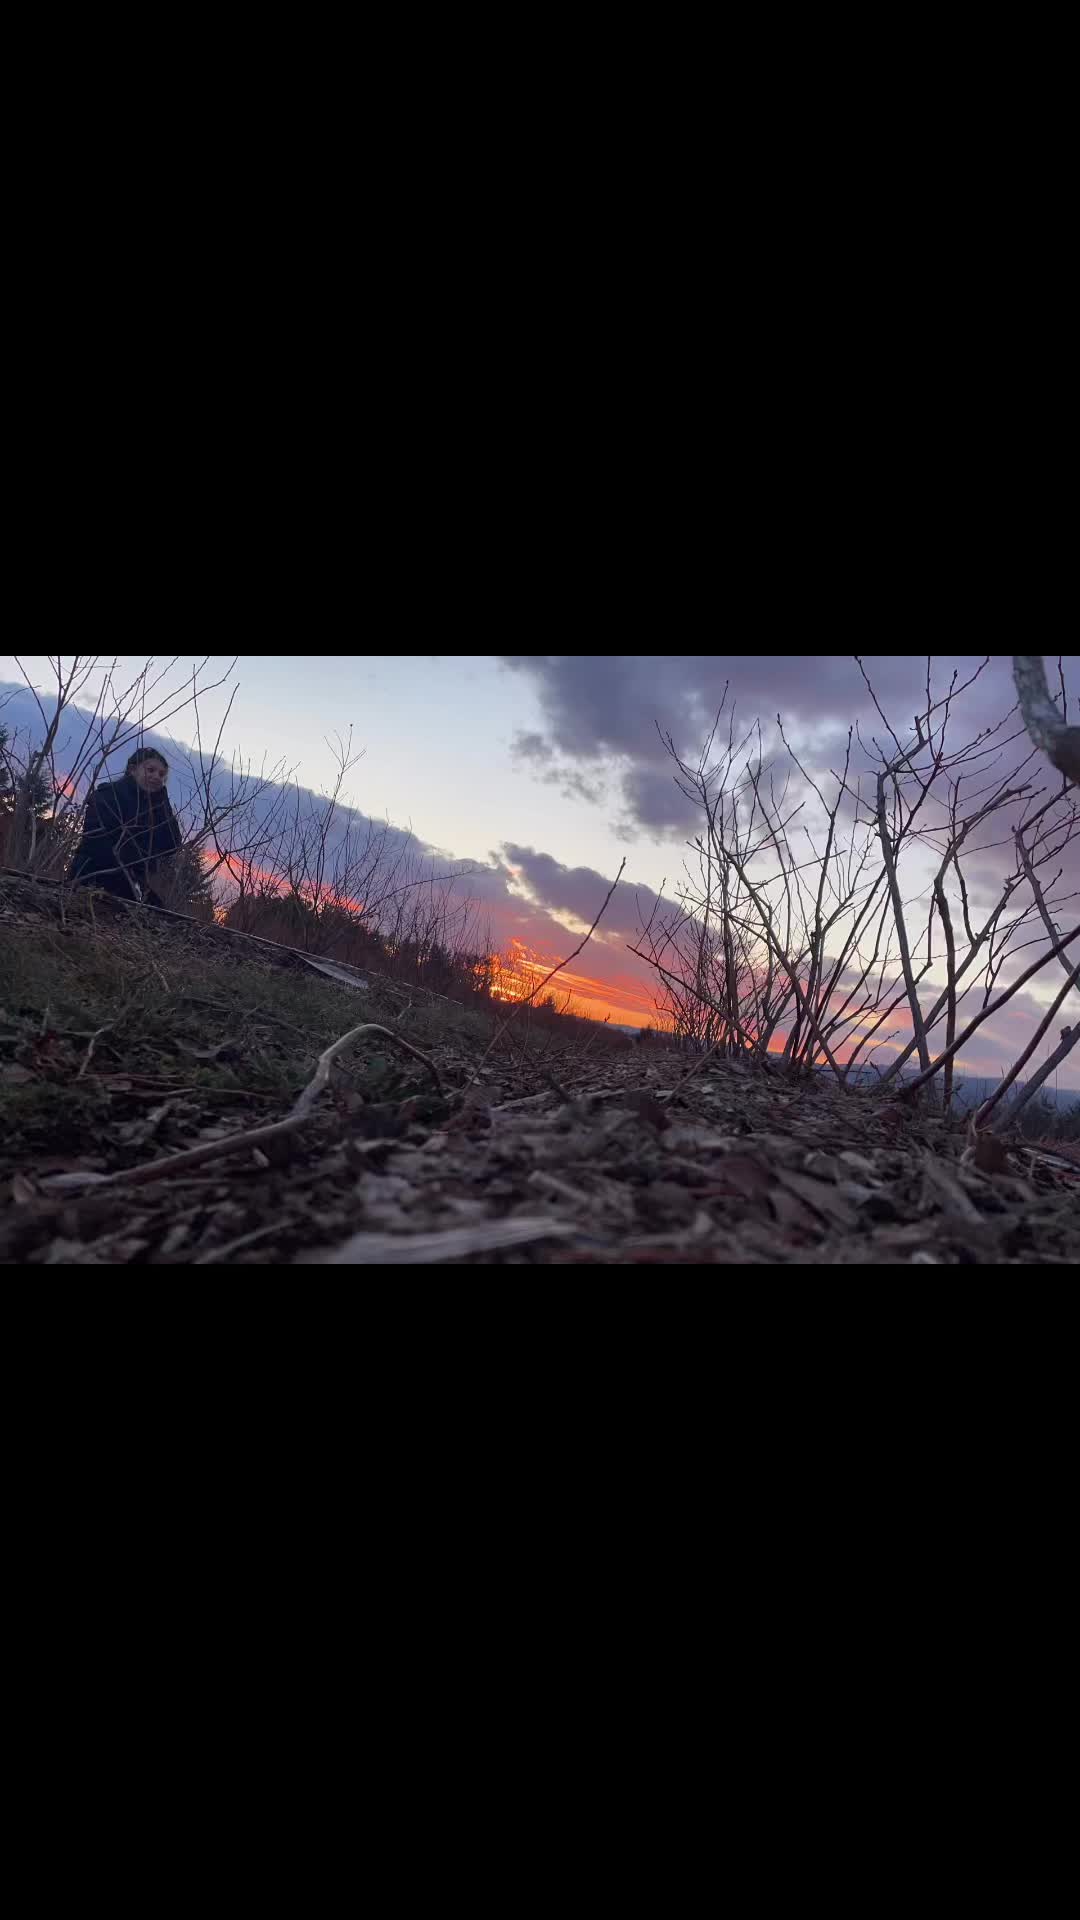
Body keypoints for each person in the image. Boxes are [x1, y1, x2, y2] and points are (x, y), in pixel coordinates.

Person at [69, 748, 182, 905]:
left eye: (162, 775)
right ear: (132, 769)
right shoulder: (108, 794)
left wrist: (162, 801)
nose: (156, 777)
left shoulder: (156, 809)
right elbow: (95, 842)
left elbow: (172, 845)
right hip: (93, 876)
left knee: (162, 914)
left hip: (133, 883)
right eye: (151, 770)